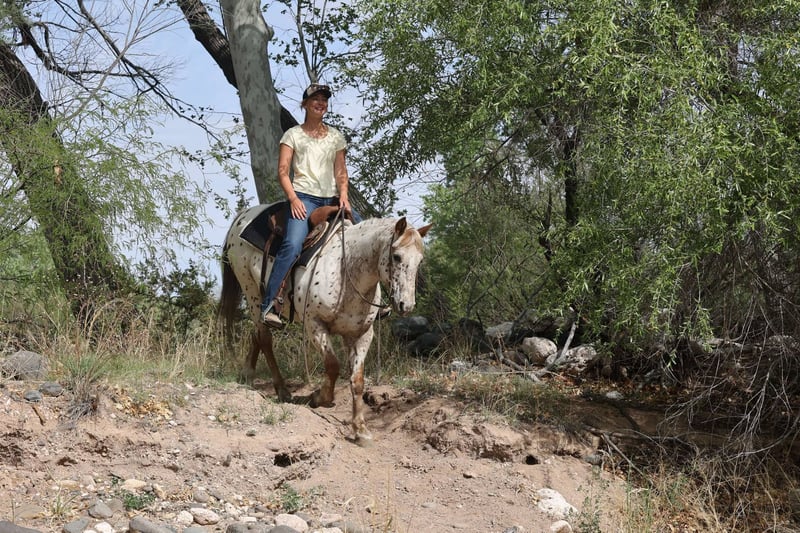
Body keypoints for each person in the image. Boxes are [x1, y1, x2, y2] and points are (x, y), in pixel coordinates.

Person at [260, 83, 360, 328]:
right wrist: (293, 199)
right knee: (293, 244)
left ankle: (373, 302)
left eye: (324, 100)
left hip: (332, 198)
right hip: (304, 198)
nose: (320, 103)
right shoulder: (293, 135)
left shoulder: (336, 137)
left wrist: (344, 195)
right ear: (304, 104)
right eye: (315, 99)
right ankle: (270, 305)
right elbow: (283, 171)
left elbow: (341, 172)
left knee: (365, 233)